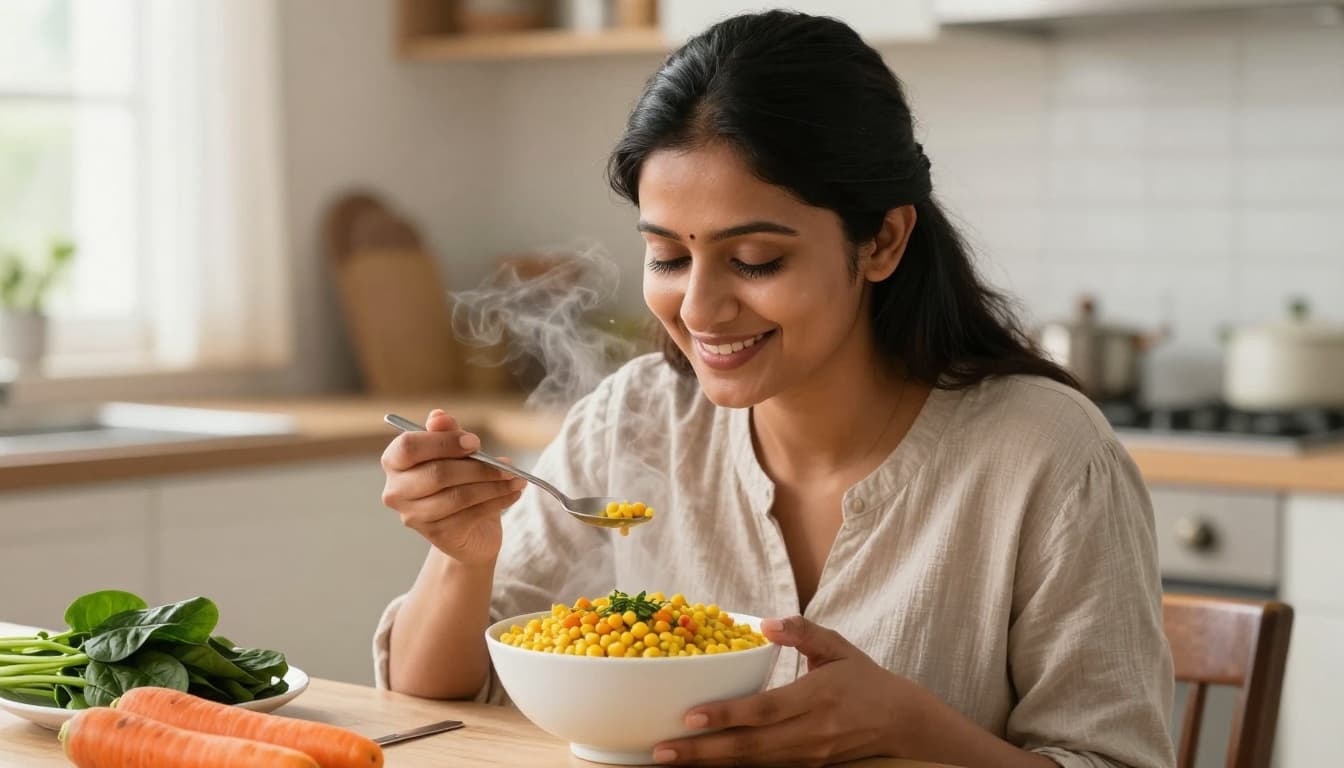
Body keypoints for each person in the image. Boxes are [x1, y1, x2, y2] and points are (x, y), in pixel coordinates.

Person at [375, 10, 1175, 768]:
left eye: (755, 259)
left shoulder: (1044, 455)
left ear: (883, 241)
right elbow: (433, 703)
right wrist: (463, 557)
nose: (698, 309)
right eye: (669, 257)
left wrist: (908, 726)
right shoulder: (638, 417)